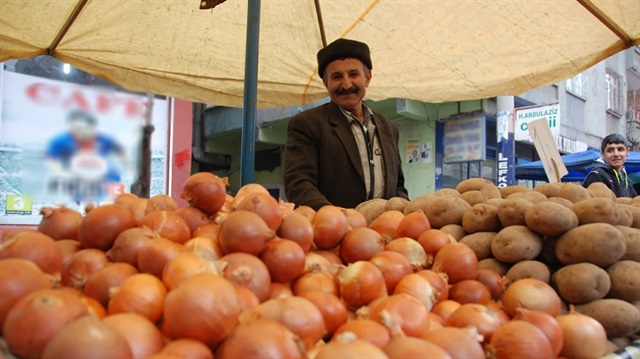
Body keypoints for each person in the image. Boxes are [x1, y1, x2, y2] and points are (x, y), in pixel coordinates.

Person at [284, 38, 409, 210]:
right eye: (336, 77)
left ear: (367, 77)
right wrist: (338, 219)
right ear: (326, 82)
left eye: (353, 74)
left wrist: (402, 213)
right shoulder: (307, 124)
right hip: (333, 232)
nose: (346, 84)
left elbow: (398, 186)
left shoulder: (389, 128)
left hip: (383, 231)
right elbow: (298, 185)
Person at [582, 133, 637, 198]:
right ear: (602, 154)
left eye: (620, 149)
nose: (616, 154)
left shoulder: (626, 180)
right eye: (610, 150)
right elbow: (596, 206)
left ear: (627, 152)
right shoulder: (597, 175)